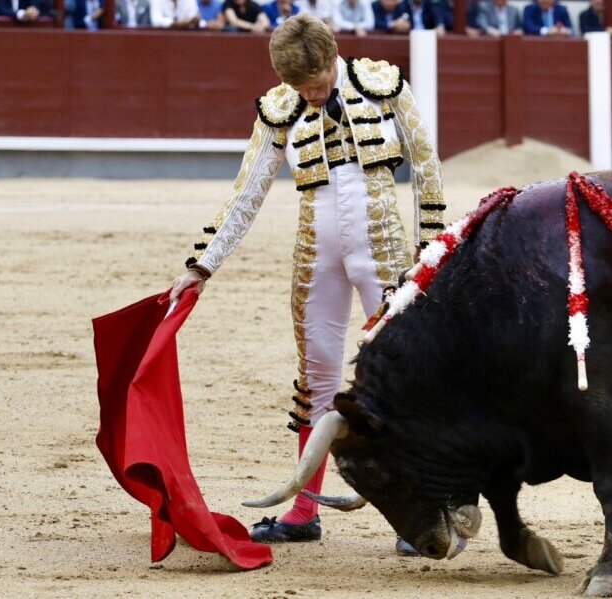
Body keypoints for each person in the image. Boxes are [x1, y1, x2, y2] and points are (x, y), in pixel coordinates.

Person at [167, 12, 445, 550]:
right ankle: (303, 510)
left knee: (400, 378)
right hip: (316, 253)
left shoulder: (383, 85)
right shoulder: (281, 108)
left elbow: (427, 164)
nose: (310, 97)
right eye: (299, 88)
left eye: (315, 85)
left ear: (332, 56)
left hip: (385, 250)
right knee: (316, 375)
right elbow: (246, 193)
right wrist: (201, 265)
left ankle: (419, 510)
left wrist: (430, 249)